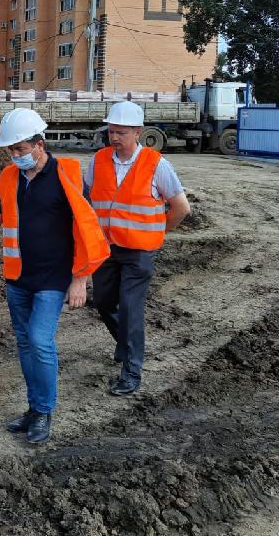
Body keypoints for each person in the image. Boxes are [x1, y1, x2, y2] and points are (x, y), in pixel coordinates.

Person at [0, 108, 109, 443]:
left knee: (40, 341)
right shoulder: (8, 177)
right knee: (24, 342)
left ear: (39, 144)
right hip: (18, 276)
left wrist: (80, 278)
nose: (14, 156)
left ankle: (44, 412)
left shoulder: (67, 173)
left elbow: (85, 228)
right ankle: (33, 407)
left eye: (19, 149)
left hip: (53, 278)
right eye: (10, 150)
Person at [86, 101, 191, 396]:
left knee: (131, 309)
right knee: (105, 302)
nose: (114, 137)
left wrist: (158, 232)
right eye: (111, 131)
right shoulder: (99, 161)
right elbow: (89, 198)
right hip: (106, 248)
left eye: (120, 132)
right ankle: (126, 343)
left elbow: (181, 208)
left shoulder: (157, 164)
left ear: (138, 132)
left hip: (139, 252)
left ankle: (131, 370)